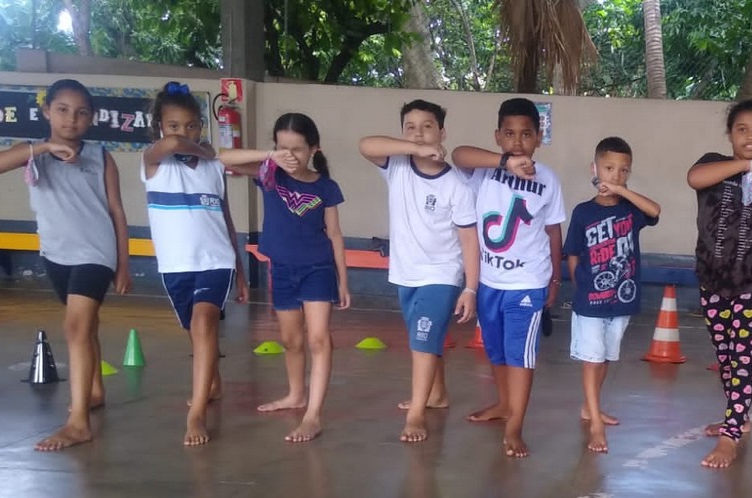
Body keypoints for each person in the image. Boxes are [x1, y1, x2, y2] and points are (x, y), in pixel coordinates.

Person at [0, 79, 131, 452]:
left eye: (81, 113)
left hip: (96, 252)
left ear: (91, 118)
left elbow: (116, 210)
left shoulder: (100, 156)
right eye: (63, 110)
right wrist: (45, 148)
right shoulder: (32, 153)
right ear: (47, 111)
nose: (71, 119)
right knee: (86, 327)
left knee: (75, 327)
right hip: (56, 255)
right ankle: (94, 390)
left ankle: (78, 423)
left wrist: (123, 264)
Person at [221, 113, 350, 443]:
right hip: (281, 269)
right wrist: (270, 157)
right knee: (291, 341)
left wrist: (343, 280)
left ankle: (313, 415)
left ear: (314, 149)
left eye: (297, 149)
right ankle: (296, 394)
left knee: (318, 339)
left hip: (318, 269)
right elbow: (223, 158)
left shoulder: (325, 186)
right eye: (283, 148)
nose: (290, 156)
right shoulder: (269, 174)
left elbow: (335, 234)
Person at [358, 99, 480, 443]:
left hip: (441, 275)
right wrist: (413, 147)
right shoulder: (396, 165)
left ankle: (416, 414)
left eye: (427, 126)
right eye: (410, 127)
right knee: (426, 337)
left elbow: (469, 241)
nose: (418, 133)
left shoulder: (456, 185)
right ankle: (437, 394)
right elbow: (365, 145)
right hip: (405, 272)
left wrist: (470, 288)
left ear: (442, 132)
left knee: (422, 342)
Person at [451, 98, 565, 458]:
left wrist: (555, 279)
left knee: (520, 356)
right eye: (510, 134)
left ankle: (515, 425)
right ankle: (503, 404)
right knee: (497, 350)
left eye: (526, 134)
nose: (517, 141)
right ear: (497, 136)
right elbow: (458, 154)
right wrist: (503, 162)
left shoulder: (548, 180)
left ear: (539, 138)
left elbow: (553, 231)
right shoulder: (485, 170)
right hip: (488, 281)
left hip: (527, 283)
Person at [686, 100, 752, 469]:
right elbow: (694, 178)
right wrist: (746, 167)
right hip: (714, 282)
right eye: (742, 129)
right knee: (726, 357)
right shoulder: (715, 167)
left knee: (745, 356)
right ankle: (740, 417)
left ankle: (730, 435)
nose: (751, 136)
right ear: (730, 135)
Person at [141, 81, 247, 446]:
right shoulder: (153, 162)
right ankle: (212, 383)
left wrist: (241, 271)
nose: (182, 133)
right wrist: (201, 149)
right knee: (195, 331)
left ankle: (197, 413)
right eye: (173, 125)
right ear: (159, 127)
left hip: (216, 260)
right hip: (176, 264)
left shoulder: (213, 168)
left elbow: (225, 218)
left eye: (191, 125)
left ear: (201, 126)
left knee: (204, 323)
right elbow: (172, 146)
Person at [564, 136, 660, 453]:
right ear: (595, 169)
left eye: (623, 170)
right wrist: (581, 286)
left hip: (621, 301)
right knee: (592, 360)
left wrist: (621, 191)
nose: (615, 175)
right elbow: (573, 253)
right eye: (608, 168)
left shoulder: (631, 210)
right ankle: (595, 422)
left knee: (604, 357)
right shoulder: (583, 212)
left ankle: (589, 407)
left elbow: (655, 210)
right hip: (590, 302)